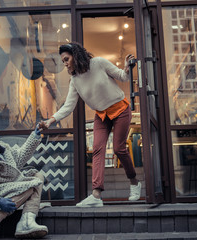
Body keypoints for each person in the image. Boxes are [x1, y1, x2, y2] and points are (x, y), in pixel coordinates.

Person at [42, 42, 141, 207]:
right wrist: (50, 120)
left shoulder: (99, 63)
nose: (65, 63)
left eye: (66, 59)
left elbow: (123, 77)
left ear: (76, 55)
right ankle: (96, 195)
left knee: (119, 148)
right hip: (102, 115)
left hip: (120, 109)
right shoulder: (75, 81)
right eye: (63, 61)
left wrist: (126, 69)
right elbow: (68, 106)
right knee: (97, 149)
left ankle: (134, 182)